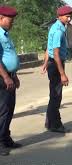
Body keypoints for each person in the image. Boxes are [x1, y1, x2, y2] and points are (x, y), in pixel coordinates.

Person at [44, 6, 72, 133]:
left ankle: (49, 122)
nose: (69, 18)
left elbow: (48, 47)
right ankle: (55, 124)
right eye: (67, 16)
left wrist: (45, 63)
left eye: (70, 15)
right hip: (56, 64)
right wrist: (63, 74)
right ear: (59, 16)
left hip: (53, 63)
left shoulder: (57, 27)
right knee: (56, 96)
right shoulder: (58, 31)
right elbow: (55, 53)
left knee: (54, 95)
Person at [0, 6, 21, 156]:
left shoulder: (6, 34)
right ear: (0, 18)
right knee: (3, 111)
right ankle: (0, 143)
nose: (12, 23)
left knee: (10, 109)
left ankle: (6, 139)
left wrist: (14, 75)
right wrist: (6, 77)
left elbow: (10, 56)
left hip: (10, 75)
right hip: (2, 77)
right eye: (10, 20)